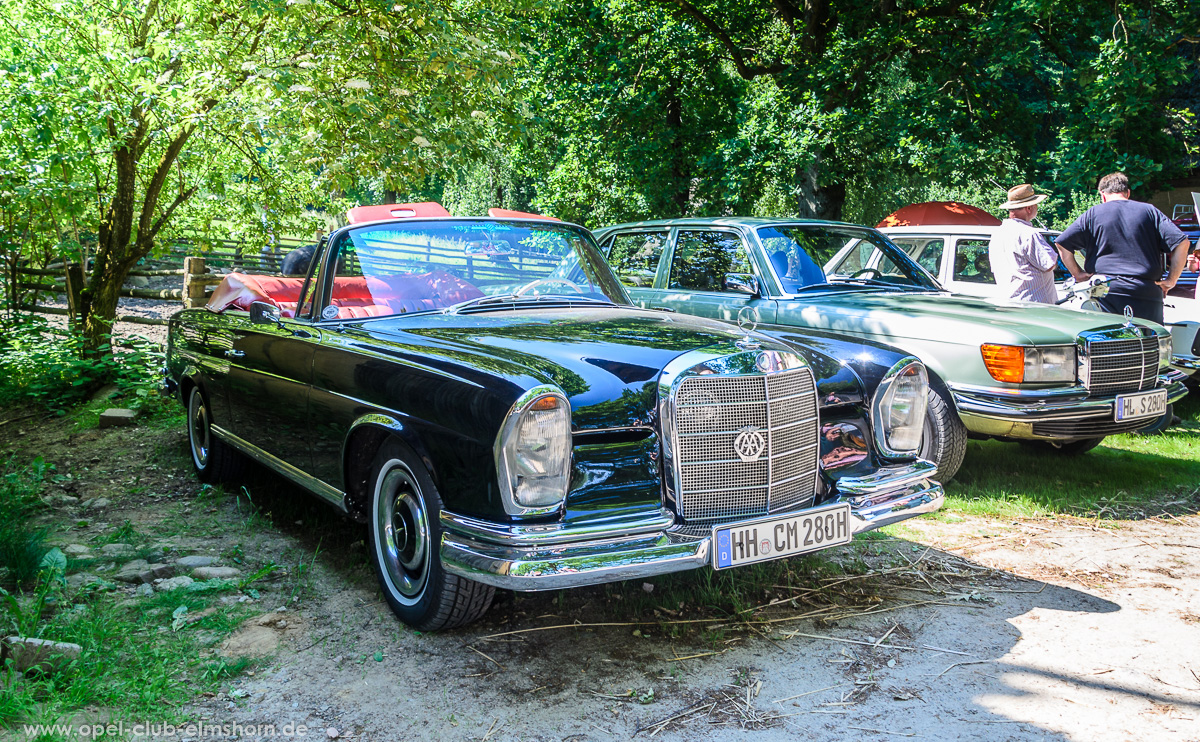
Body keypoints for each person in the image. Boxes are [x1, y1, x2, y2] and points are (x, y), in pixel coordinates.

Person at [1055, 172, 1191, 325]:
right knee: (1149, 343)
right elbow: (1182, 243)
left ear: (1102, 194)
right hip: (1146, 291)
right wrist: (1171, 280)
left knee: (1109, 343)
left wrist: (1078, 274)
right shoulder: (1150, 211)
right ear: (1128, 193)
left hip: (1106, 291)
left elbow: (1062, 244)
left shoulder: (1093, 214)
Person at [989, 184, 1058, 303]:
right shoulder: (1029, 234)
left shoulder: (997, 234)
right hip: (1034, 305)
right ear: (1029, 208)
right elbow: (1050, 264)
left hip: (1007, 301)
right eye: (1036, 204)